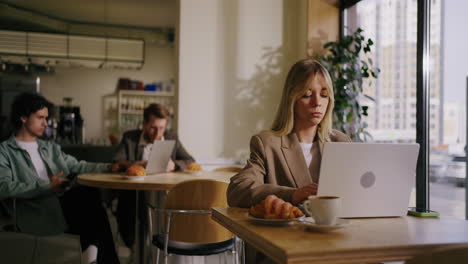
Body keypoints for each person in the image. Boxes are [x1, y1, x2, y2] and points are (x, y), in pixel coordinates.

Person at [0, 92, 128, 264]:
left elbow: (78, 165)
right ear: (23, 117)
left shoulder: (49, 147)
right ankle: (92, 257)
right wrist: (47, 186)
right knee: (89, 203)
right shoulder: (5, 151)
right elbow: (4, 187)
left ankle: (91, 258)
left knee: (88, 197)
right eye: (40, 118)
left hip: (61, 203)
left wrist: (110, 167)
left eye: (46, 118)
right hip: (34, 211)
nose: (45, 123)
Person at [227, 59, 351, 208]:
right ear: (292, 99)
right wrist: (292, 195)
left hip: (335, 229)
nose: (317, 102)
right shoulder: (267, 144)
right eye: (307, 95)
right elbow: (237, 191)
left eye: (324, 95)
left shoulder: (341, 142)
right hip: (287, 231)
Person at [113, 103, 195, 250]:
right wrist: (136, 164)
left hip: (163, 196)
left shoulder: (172, 137)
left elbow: (190, 160)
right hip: (133, 195)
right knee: (131, 209)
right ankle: (135, 246)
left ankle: (158, 245)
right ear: (144, 124)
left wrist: (174, 165)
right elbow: (116, 162)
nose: (158, 133)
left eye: (162, 128)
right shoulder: (130, 137)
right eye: (153, 128)